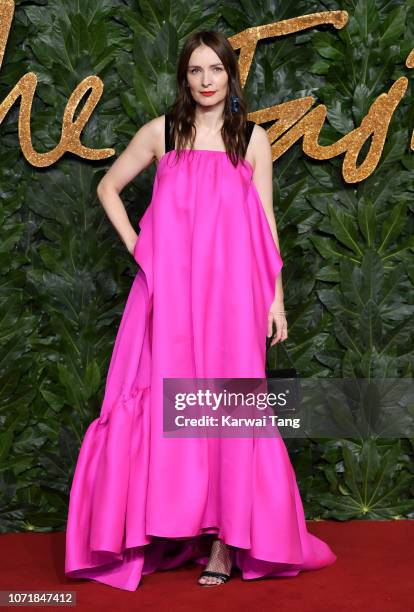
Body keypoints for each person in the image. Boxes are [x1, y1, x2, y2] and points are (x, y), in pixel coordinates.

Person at [65, 30, 337, 591]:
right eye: (196, 71)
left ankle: (224, 543)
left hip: (234, 295)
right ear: (184, 77)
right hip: (170, 293)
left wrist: (276, 300)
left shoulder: (253, 139)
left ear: (232, 75)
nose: (207, 81)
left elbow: (265, 226)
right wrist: (141, 248)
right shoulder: (162, 133)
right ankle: (170, 523)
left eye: (216, 70)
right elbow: (109, 187)